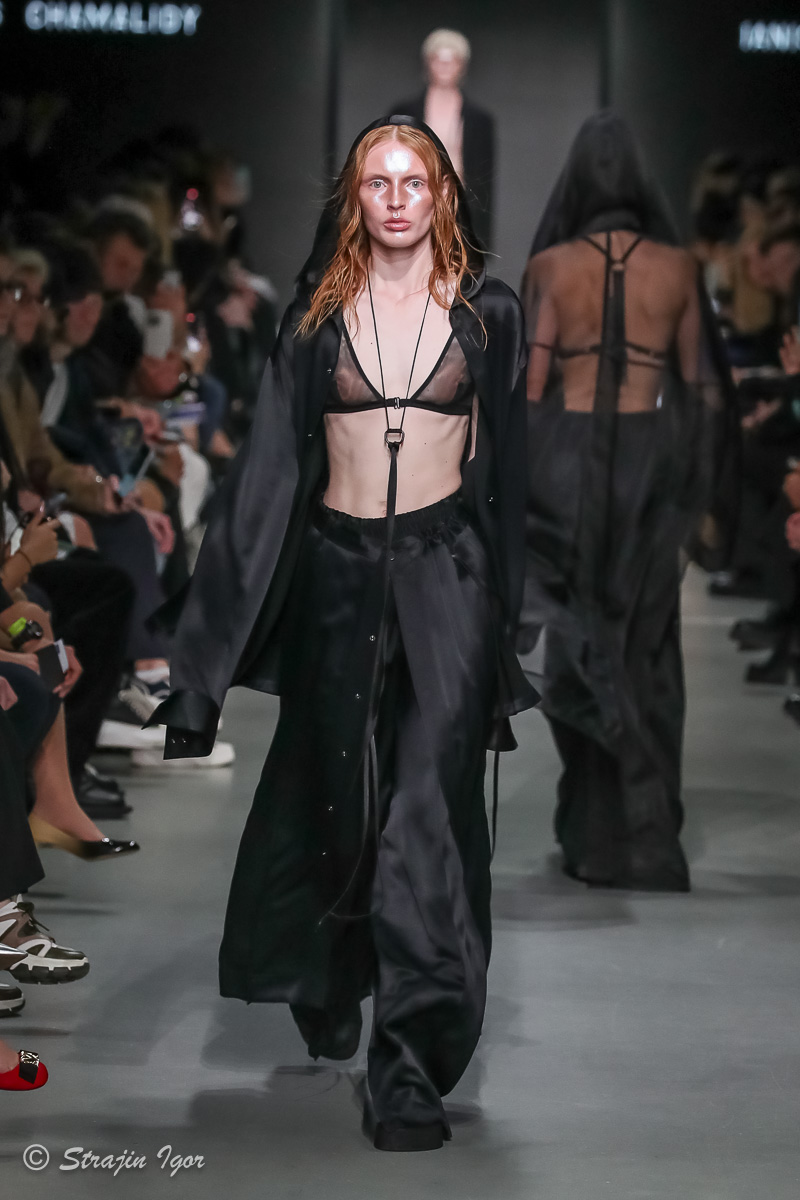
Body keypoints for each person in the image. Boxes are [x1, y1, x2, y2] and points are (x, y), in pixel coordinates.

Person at [150, 115, 536, 1150]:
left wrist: (518, 620)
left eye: (415, 181)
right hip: (336, 575)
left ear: (442, 194)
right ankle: (328, 975)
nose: (397, 199)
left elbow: (510, 471)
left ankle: (408, 1064)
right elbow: (264, 484)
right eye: (378, 182)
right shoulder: (316, 316)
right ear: (353, 197)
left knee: (428, 815)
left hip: (448, 580)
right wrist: (200, 667)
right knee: (335, 801)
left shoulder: (489, 311)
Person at [518, 112, 736, 893]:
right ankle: (647, 836)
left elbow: (531, 387)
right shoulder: (678, 268)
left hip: (567, 466)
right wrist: (697, 488)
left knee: (580, 641)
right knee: (644, 646)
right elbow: (703, 387)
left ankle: (594, 837)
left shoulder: (550, 265)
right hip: (648, 465)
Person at [393, 29, 495, 249]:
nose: (445, 66)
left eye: (452, 60)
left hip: (459, 207)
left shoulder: (480, 120)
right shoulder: (404, 112)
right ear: (427, 63)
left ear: (463, 65)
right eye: (438, 59)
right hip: (412, 201)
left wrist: (481, 235)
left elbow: (485, 179)